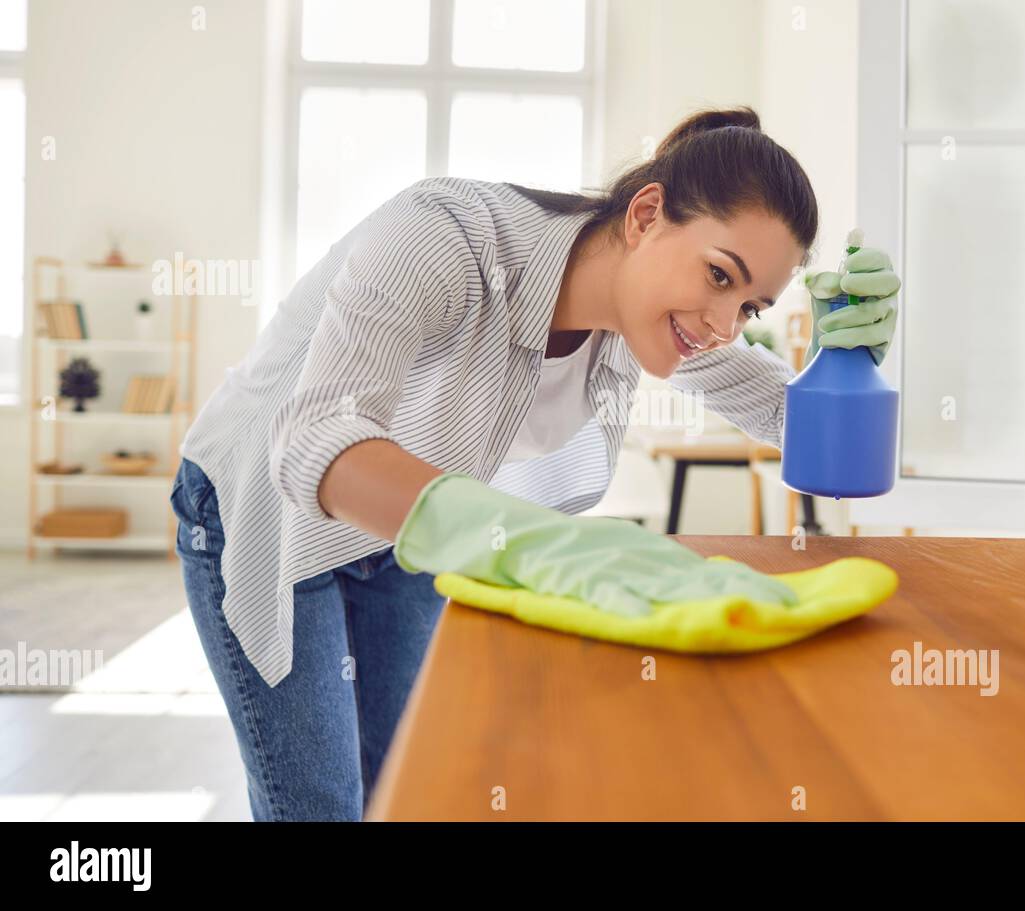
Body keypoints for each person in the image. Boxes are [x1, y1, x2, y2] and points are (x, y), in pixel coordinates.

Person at [170, 105, 898, 821]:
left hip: (399, 528)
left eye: (751, 308)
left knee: (406, 784)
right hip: (263, 506)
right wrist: (538, 544)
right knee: (323, 807)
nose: (721, 326)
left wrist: (848, 372)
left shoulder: (643, 317)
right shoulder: (443, 236)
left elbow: (793, 426)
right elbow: (312, 440)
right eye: (718, 276)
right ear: (646, 215)